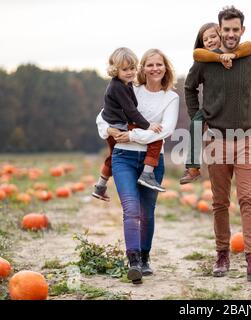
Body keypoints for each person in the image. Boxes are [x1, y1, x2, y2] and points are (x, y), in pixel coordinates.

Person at [184, 6, 251, 281]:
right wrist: (197, 116)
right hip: (216, 140)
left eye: (236, 29)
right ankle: (222, 255)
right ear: (219, 30)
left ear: (242, 30)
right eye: (227, 30)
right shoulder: (206, 63)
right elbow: (189, 87)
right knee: (220, 202)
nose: (231, 34)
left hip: (246, 139)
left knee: (248, 198)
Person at [96, 49, 179, 284]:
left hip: (153, 161)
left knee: (146, 213)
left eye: (159, 64)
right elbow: (102, 117)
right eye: (150, 64)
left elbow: (166, 130)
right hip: (123, 158)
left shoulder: (170, 97)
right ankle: (133, 263)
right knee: (131, 208)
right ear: (142, 68)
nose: (155, 69)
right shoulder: (130, 88)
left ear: (166, 67)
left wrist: (130, 135)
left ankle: (144, 258)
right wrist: (110, 131)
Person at [180, 22, 251, 184]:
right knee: (195, 123)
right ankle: (193, 168)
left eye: (213, 36)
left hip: (243, 112)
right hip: (213, 111)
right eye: (205, 39)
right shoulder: (203, 61)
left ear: (223, 35)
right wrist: (195, 112)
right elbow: (191, 80)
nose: (209, 41)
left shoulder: (242, 55)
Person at [92, 47, 165, 202]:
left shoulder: (126, 83)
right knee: (156, 138)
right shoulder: (117, 87)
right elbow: (131, 111)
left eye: (132, 68)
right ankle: (147, 174)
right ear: (115, 70)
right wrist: (147, 125)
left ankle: (100, 186)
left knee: (113, 156)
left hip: (116, 124)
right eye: (125, 69)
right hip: (117, 126)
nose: (130, 72)